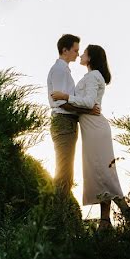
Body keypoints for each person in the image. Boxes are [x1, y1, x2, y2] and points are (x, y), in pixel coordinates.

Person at [51, 44, 130, 229]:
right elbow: (89, 105)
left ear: (90, 58)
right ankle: (105, 222)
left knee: (104, 172)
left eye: (84, 53)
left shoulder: (92, 76)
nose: (80, 55)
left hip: (95, 129)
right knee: (100, 172)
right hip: (92, 128)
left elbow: (89, 102)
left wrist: (64, 96)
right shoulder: (92, 76)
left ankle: (128, 215)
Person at [47, 34, 100, 195]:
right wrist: (88, 110)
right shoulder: (60, 70)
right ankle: (54, 216)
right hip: (63, 122)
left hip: (67, 122)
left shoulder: (64, 70)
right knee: (64, 174)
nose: (78, 54)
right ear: (65, 50)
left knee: (66, 173)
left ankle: (58, 214)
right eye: (75, 50)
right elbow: (63, 103)